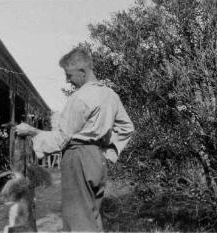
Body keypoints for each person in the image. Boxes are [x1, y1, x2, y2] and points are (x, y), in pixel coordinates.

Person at [15, 47, 134, 232]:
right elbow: (127, 127)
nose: (67, 80)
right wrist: (107, 153)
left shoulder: (79, 98)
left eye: (69, 75)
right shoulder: (110, 95)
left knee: (77, 221)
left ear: (83, 72)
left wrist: (32, 132)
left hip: (77, 157)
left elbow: (62, 138)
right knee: (92, 217)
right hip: (97, 159)